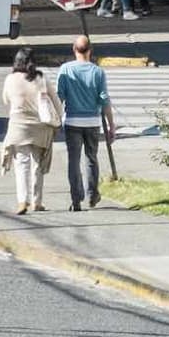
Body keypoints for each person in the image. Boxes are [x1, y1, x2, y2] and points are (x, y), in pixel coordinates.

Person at [55, 36, 115, 212]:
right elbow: (104, 99)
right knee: (91, 158)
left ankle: (76, 198)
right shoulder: (98, 72)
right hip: (92, 121)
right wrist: (111, 125)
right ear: (90, 50)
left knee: (73, 160)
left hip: (72, 120)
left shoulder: (65, 70)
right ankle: (92, 194)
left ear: (74, 49)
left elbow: (60, 97)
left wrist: (56, 120)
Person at [1, 49, 62, 215]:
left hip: (18, 126)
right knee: (38, 164)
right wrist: (58, 122)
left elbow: (5, 100)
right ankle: (37, 201)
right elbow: (55, 101)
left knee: (21, 164)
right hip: (40, 126)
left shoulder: (10, 79)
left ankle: (22, 201)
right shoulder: (40, 78)